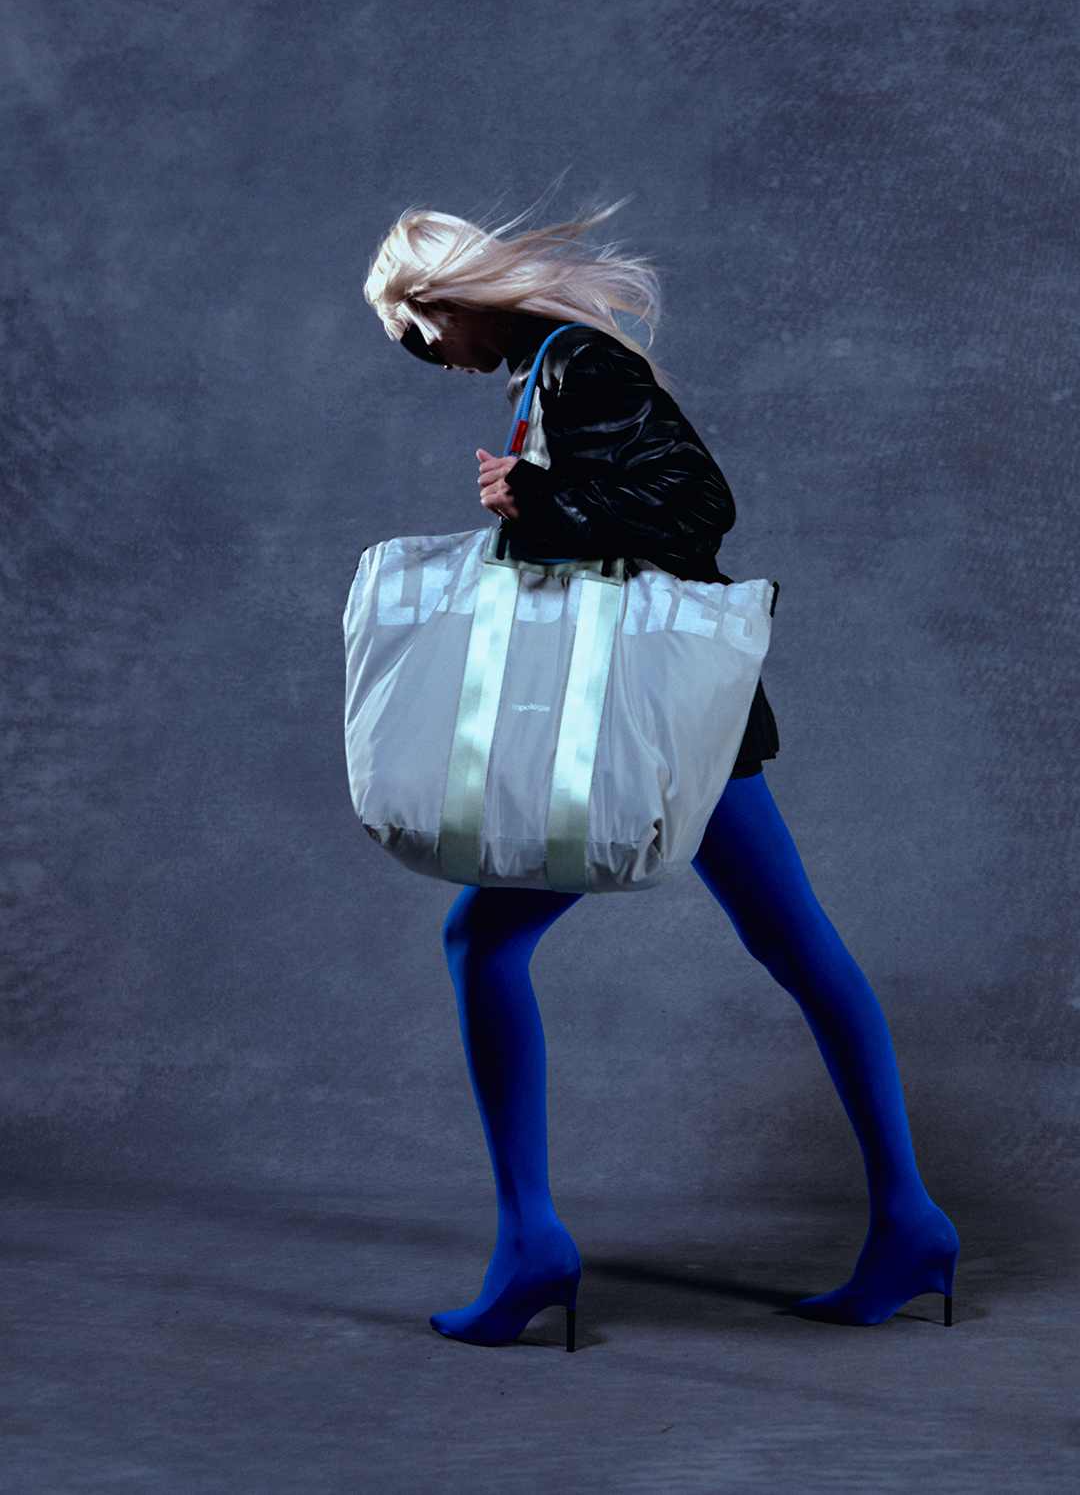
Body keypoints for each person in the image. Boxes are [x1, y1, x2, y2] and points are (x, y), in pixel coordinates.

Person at [363, 203, 959, 1347]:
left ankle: (535, 1247)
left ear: (438, 301)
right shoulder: (545, 371)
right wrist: (536, 502)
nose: (431, 362)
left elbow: (698, 510)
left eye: (417, 339)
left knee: (487, 942)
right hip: (663, 720)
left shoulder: (576, 365)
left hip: (645, 723)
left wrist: (533, 499)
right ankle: (909, 1222)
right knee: (792, 947)